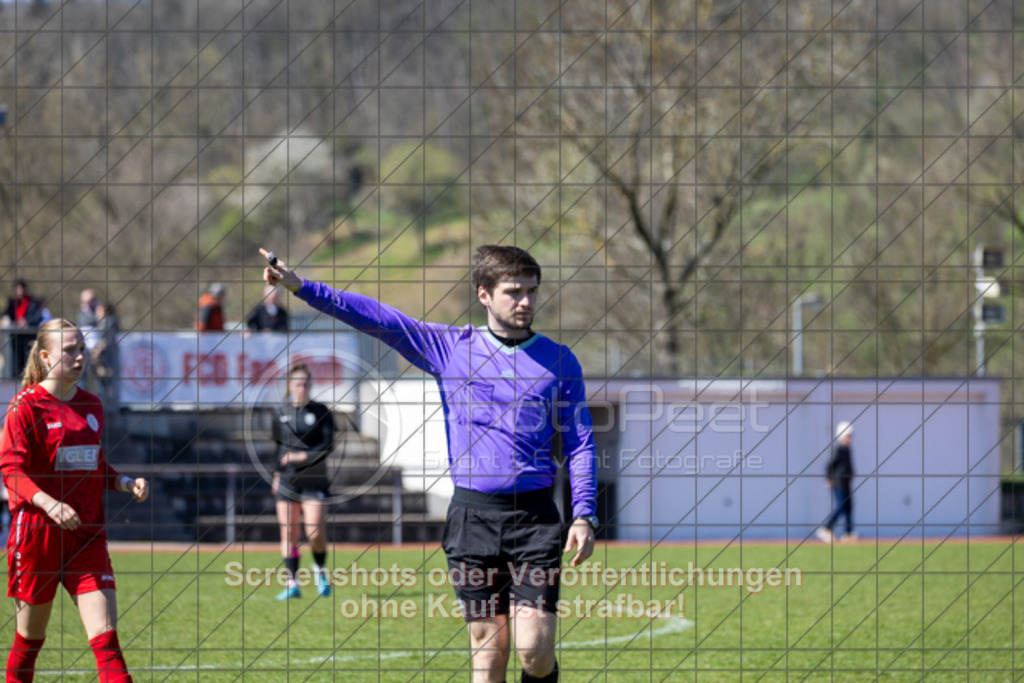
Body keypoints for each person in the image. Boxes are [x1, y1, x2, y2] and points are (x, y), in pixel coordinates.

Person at [261, 244, 597, 682]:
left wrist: (584, 513)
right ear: (484, 295)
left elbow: (581, 442)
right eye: (514, 292)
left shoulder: (559, 361)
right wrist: (302, 288)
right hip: (473, 518)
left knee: (533, 647)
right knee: (488, 649)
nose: (526, 302)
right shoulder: (449, 349)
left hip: (535, 519)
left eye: (532, 291)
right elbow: (375, 317)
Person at [0, 319, 149, 682]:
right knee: (29, 643)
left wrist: (125, 482)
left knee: (107, 642)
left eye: (81, 348)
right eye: (70, 350)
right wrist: (49, 504)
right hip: (37, 537)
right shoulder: (26, 407)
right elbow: (11, 472)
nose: (79, 355)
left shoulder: (91, 405)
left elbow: (93, 464)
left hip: (87, 536)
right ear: (46, 356)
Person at [271, 363, 335, 601]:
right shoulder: (280, 412)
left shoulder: (321, 411)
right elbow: (278, 448)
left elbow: (328, 446)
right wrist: (276, 473)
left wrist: (303, 456)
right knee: (289, 533)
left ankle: (319, 570)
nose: (301, 388)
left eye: (305, 383)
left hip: (315, 480)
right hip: (288, 480)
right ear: (290, 385)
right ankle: (292, 583)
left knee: (315, 531)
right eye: (297, 383)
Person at [816, 421, 856, 543]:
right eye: (848, 436)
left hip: (846, 483)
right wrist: (829, 478)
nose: (850, 438)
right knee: (841, 506)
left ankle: (848, 533)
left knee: (849, 507)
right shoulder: (838, 450)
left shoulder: (847, 449)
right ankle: (826, 529)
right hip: (838, 483)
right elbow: (828, 465)